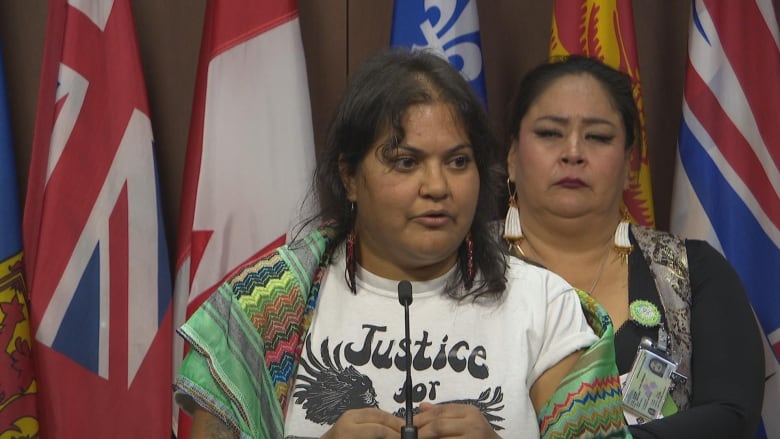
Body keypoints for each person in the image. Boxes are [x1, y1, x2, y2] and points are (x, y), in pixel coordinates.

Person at [174, 48, 629, 439]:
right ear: (350, 177)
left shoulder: (547, 307)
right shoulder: (263, 310)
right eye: (406, 161)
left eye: (457, 161)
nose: (437, 186)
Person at [503, 54, 765, 438]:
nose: (573, 151)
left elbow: (731, 413)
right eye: (549, 133)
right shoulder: (459, 265)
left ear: (630, 163)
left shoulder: (692, 272)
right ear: (511, 157)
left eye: (598, 136)